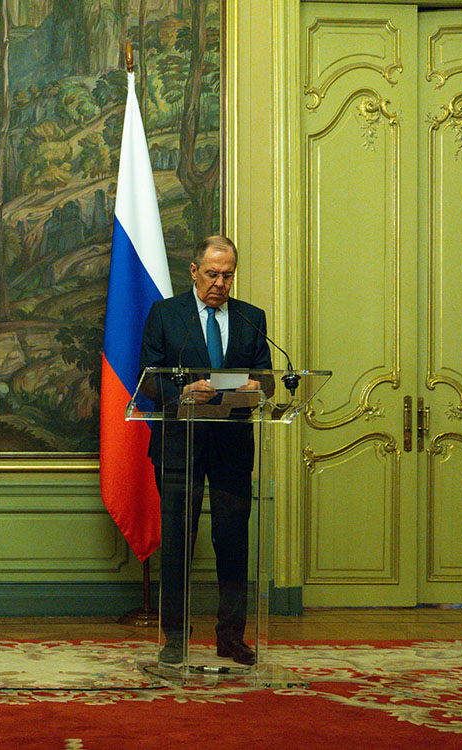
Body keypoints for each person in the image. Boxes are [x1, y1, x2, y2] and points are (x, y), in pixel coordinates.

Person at [139, 235, 272, 667]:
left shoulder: (252, 318)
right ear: (194, 271)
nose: (220, 283)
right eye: (212, 274)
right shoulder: (165, 315)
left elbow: (267, 379)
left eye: (228, 275)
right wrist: (183, 390)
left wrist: (257, 386)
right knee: (179, 541)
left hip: (232, 444)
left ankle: (231, 637)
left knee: (233, 541)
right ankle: (175, 636)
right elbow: (148, 379)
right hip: (181, 443)